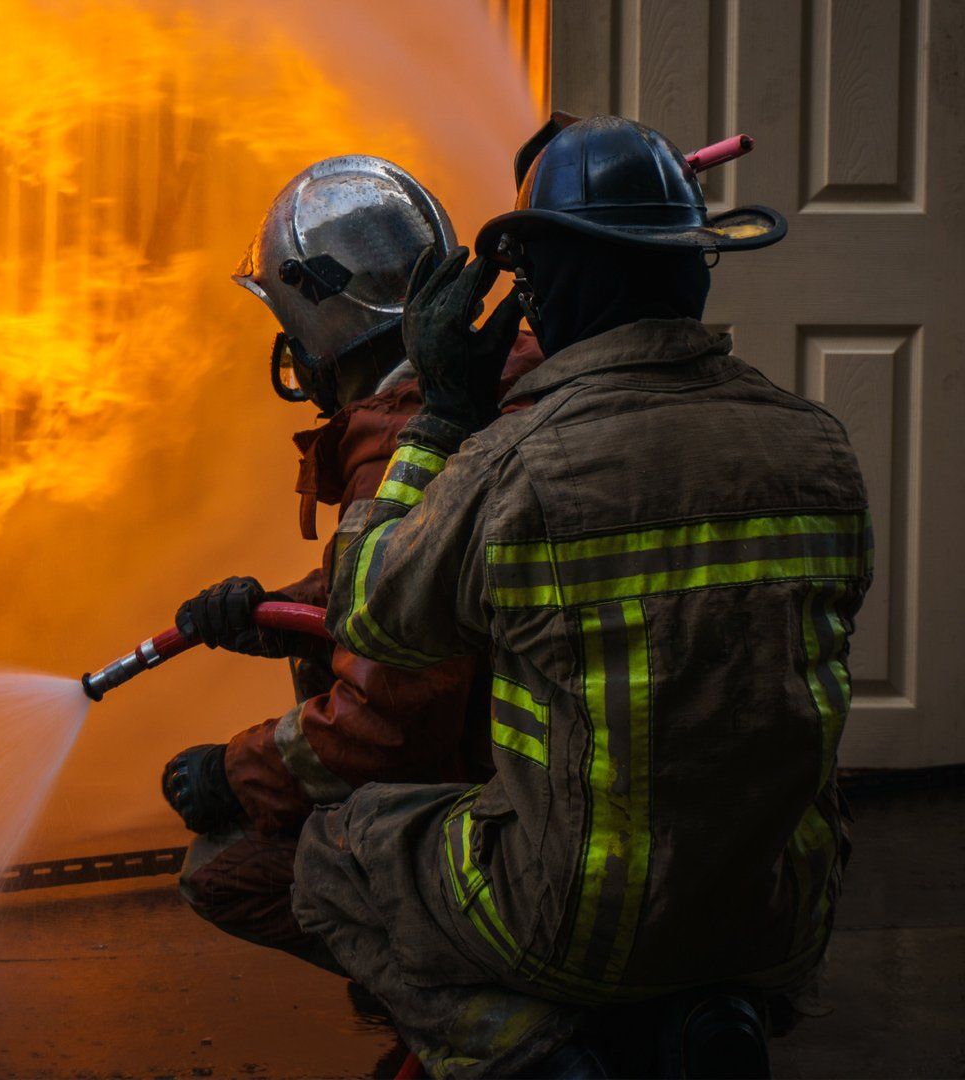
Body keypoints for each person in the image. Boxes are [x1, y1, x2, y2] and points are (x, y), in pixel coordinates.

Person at [293, 114, 869, 1076]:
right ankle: (711, 1019)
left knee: (333, 855)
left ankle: (535, 1052)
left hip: (580, 919)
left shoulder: (519, 466)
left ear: (549, 290)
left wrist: (440, 417)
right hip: (776, 910)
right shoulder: (820, 446)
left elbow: (368, 612)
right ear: (694, 268)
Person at [159, 155, 544, 958]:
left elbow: (392, 719)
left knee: (223, 868)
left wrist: (236, 772)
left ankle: (468, 1007)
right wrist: (278, 612)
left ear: (318, 325)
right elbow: (420, 584)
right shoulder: (520, 372)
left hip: (499, 808)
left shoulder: (401, 433)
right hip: (550, 779)